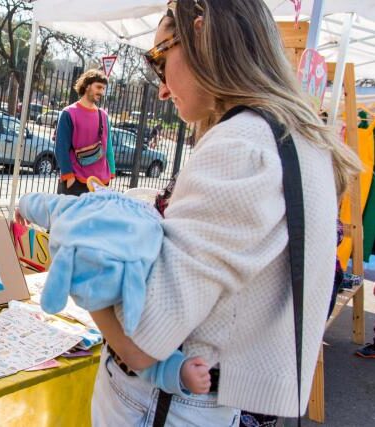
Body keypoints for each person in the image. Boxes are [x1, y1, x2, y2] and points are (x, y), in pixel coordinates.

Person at [86, 1, 361, 426]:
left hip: (162, 402)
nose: (161, 89)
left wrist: (84, 259)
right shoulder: (296, 136)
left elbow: (142, 341)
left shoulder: (241, 144)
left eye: (159, 59)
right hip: (207, 397)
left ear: (202, 35)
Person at [16, 188, 212, 397]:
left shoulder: (156, 253)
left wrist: (178, 371)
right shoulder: (145, 234)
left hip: (143, 379)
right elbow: (47, 205)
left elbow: (139, 353)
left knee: (139, 337)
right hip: (118, 375)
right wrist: (25, 205)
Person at [54, 69, 116, 196]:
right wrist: (68, 176)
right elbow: (61, 148)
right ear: (87, 86)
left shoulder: (103, 115)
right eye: (98, 87)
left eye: (103, 88)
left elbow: (108, 145)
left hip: (101, 183)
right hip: (76, 181)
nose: (101, 92)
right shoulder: (69, 113)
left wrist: (111, 173)